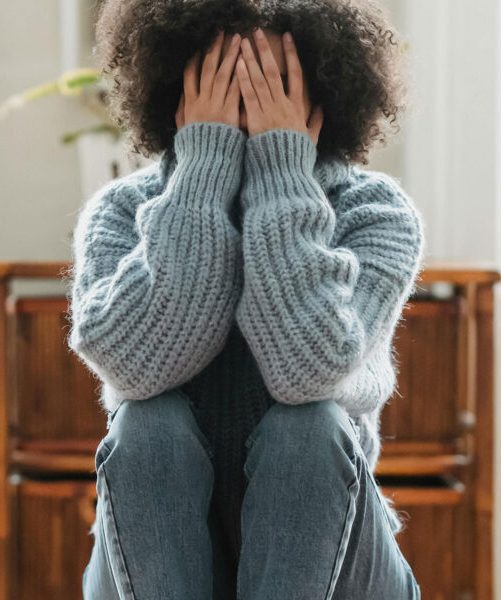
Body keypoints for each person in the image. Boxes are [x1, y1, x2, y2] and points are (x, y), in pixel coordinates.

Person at [67, 1, 425, 598]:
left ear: (320, 90)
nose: (245, 98)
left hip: (337, 565)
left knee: (308, 427)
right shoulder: (121, 212)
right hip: (159, 560)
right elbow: (135, 368)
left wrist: (282, 171)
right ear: (175, 87)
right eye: (221, 78)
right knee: (146, 423)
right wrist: (203, 168)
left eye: (270, 81)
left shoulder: (376, 213)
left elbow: (308, 372)